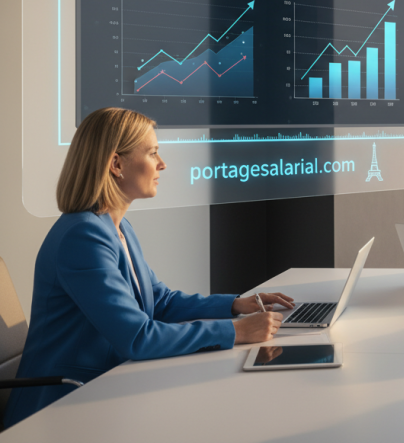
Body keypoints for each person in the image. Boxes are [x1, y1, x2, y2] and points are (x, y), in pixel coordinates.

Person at [4, 108, 294, 428]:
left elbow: (160, 302)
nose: (162, 163)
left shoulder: (117, 227)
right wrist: (236, 331)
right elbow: (138, 338)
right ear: (116, 164)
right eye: (153, 152)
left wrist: (234, 305)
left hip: (108, 389)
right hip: (60, 408)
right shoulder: (82, 237)